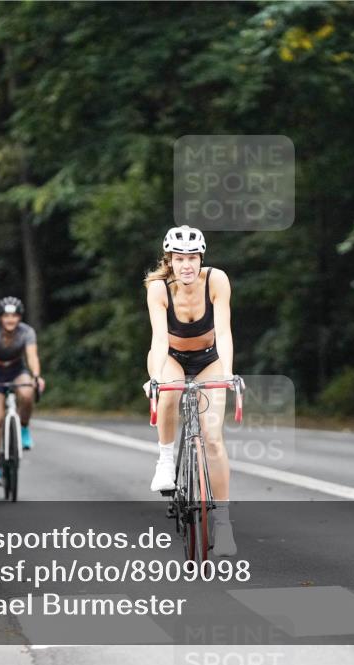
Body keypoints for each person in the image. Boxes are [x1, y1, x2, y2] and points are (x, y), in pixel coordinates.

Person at [143, 225, 237, 556]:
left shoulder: (217, 280)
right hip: (171, 356)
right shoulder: (158, 288)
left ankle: (223, 525)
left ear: (201, 258)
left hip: (209, 358)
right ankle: (166, 461)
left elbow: (224, 332)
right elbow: (157, 338)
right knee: (171, 390)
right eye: (180, 258)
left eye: (193, 258)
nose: (187, 265)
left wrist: (226, 373)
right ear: (169, 259)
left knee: (212, 437)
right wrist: (156, 377)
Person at [0, 297, 45, 486]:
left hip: (17, 369)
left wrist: (37, 376)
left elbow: (32, 356)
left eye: (14, 316)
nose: (10, 319)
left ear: (20, 317)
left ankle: (23, 427)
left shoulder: (27, 332)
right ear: (0, 317)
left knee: (26, 392)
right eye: (6, 315)